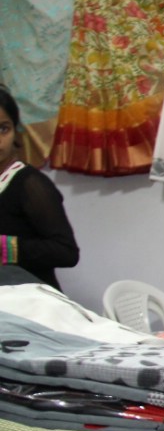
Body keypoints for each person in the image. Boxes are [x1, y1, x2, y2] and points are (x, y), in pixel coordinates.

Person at [0, 87, 79, 290]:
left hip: (30, 303)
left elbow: (66, 252)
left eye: (3, 129)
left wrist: (8, 247)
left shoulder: (30, 184)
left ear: (15, 130)